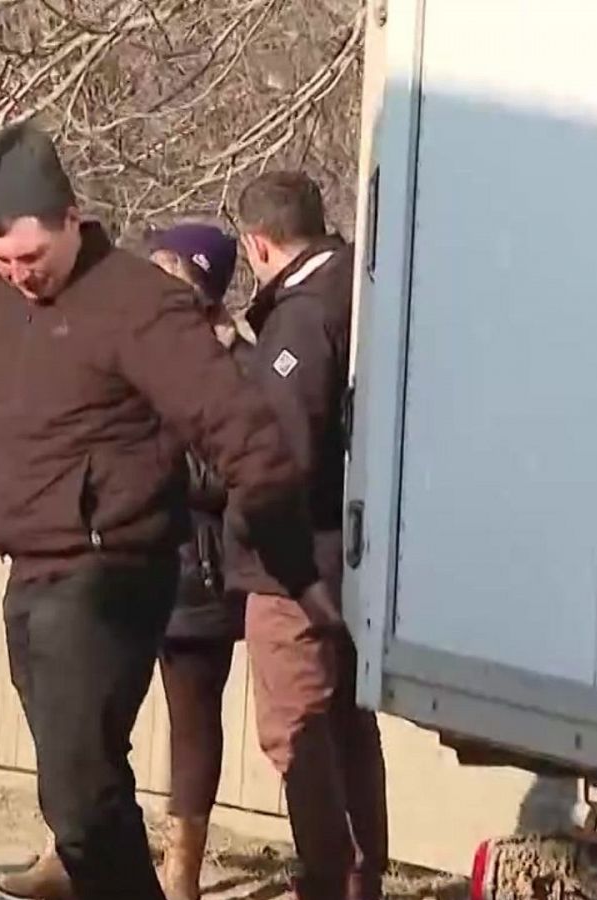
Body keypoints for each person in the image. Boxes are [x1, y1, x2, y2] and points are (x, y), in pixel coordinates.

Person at [0, 122, 324, 900]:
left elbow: (234, 424)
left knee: (78, 790)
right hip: (29, 572)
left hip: (112, 572)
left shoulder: (139, 303)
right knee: (76, 789)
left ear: (74, 218)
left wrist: (290, 561)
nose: (20, 277)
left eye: (32, 258)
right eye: (2, 262)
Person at [0, 222, 255, 900]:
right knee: (88, 728)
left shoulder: (225, 359)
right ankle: (70, 852)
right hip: (108, 561)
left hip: (195, 569)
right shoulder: (116, 338)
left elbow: (229, 465)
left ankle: (179, 869)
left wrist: (146, 467)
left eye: (176, 270)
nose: (156, 277)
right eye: (154, 262)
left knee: (192, 722)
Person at [229, 171, 388, 900]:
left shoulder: (300, 319)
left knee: (297, 731)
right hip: (353, 553)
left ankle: (327, 877)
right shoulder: (365, 286)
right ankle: (359, 876)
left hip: (295, 567)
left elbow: (281, 454)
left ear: (258, 244)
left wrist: (257, 533)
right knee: (349, 725)